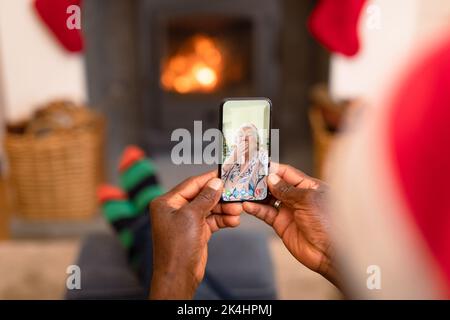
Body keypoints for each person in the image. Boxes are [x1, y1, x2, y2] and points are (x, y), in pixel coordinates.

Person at [221, 123, 268, 201]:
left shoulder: (262, 156)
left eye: (249, 134)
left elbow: (268, 165)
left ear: (257, 142)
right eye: (240, 135)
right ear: (236, 141)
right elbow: (218, 180)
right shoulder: (232, 160)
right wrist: (233, 157)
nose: (244, 138)